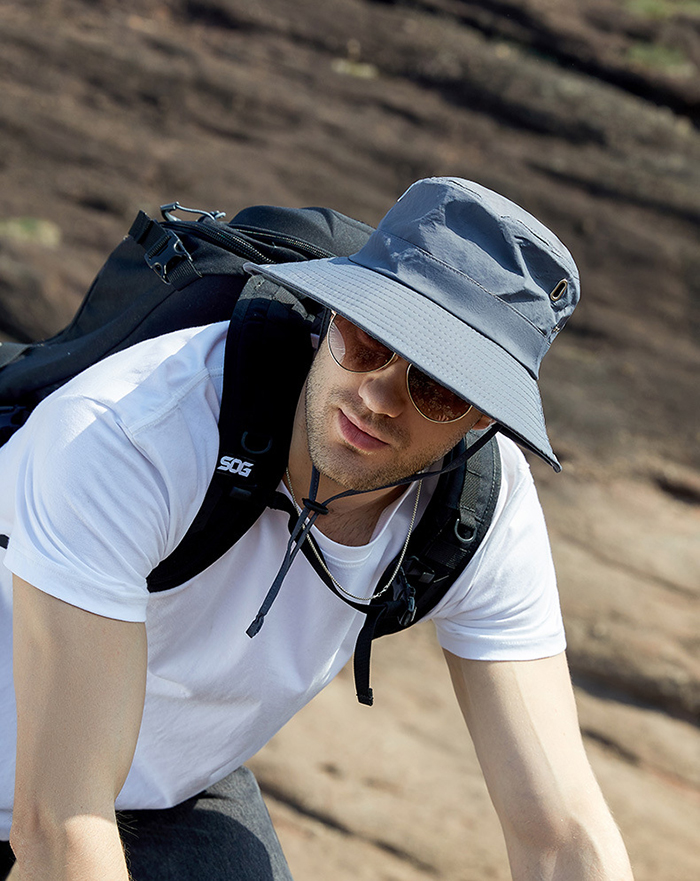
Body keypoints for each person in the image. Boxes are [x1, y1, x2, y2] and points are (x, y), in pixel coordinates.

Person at [0, 177, 634, 880]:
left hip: (159, 796)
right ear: (333, 312)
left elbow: (562, 837)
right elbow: (58, 828)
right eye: (368, 337)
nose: (379, 394)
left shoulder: (479, 512)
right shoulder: (134, 433)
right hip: (59, 803)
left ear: (483, 416)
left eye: (436, 384)